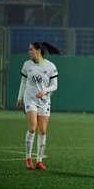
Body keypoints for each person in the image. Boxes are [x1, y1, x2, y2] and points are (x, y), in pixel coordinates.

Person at [16, 41, 60, 170]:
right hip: (30, 99)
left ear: (38, 51)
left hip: (44, 101)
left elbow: (55, 85)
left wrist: (44, 91)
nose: (29, 52)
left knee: (43, 131)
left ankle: (39, 161)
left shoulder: (50, 66)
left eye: (31, 49)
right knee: (32, 128)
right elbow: (23, 81)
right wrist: (19, 97)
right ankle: (28, 158)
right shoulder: (27, 65)